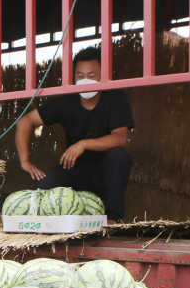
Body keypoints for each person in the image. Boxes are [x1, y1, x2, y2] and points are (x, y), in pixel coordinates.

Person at [13, 45, 134, 221]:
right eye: (80, 76)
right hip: (73, 169)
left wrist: (83, 144)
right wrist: (25, 161)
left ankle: (112, 219)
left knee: (119, 156)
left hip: (104, 170)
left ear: (103, 76)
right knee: (43, 187)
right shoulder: (66, 101)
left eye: (91, 75)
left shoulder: (116, 97)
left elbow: (120, 138)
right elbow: (24, 122)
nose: (85, 80)